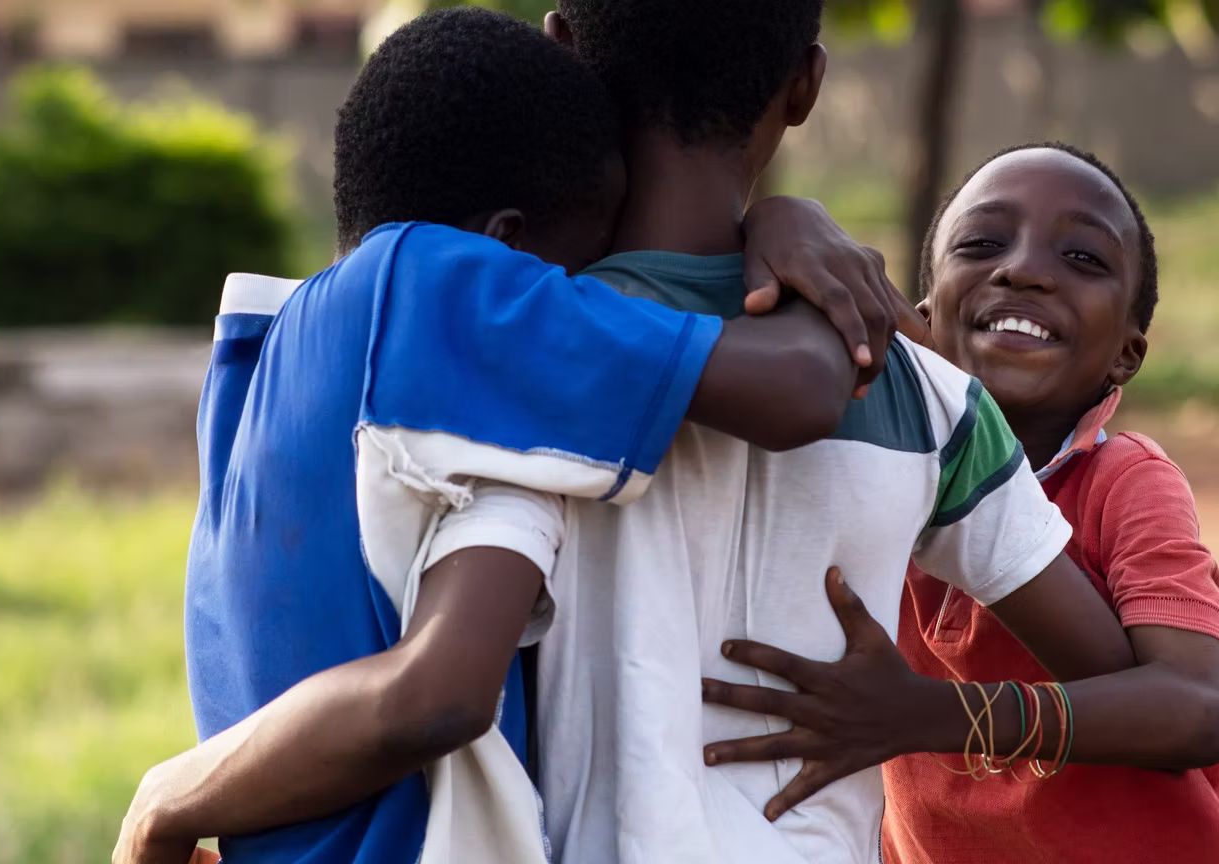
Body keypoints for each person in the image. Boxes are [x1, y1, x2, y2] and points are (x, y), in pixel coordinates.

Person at [115, 9, 899, 864]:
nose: (594, 295)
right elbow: (806, 387)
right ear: (505, 247)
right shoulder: (445, 288)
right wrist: (790, 227)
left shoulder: (261, 358)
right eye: (583, 274)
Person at [703, 143, 1219, 863]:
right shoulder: (880, 474)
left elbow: (1195, 710)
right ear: (922, 324)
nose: (1026, 270)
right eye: (981, 244)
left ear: (1127, 355)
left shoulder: (1125, 481)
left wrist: (931, 716)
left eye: (1084, 259)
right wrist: (785, 216)